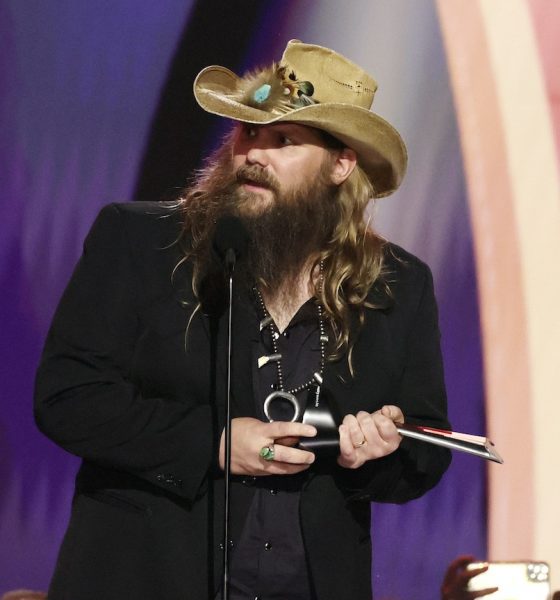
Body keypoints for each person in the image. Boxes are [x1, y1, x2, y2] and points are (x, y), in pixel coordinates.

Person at [34, 40, 451, 600]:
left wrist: (375, 453)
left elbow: (425, 449)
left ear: (340, 164)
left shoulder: (396, 284)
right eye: (246, 132)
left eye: (282, 140)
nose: (254, 153)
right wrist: (215, 443)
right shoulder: (142, 242)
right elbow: (68, 397)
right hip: (148, 577)